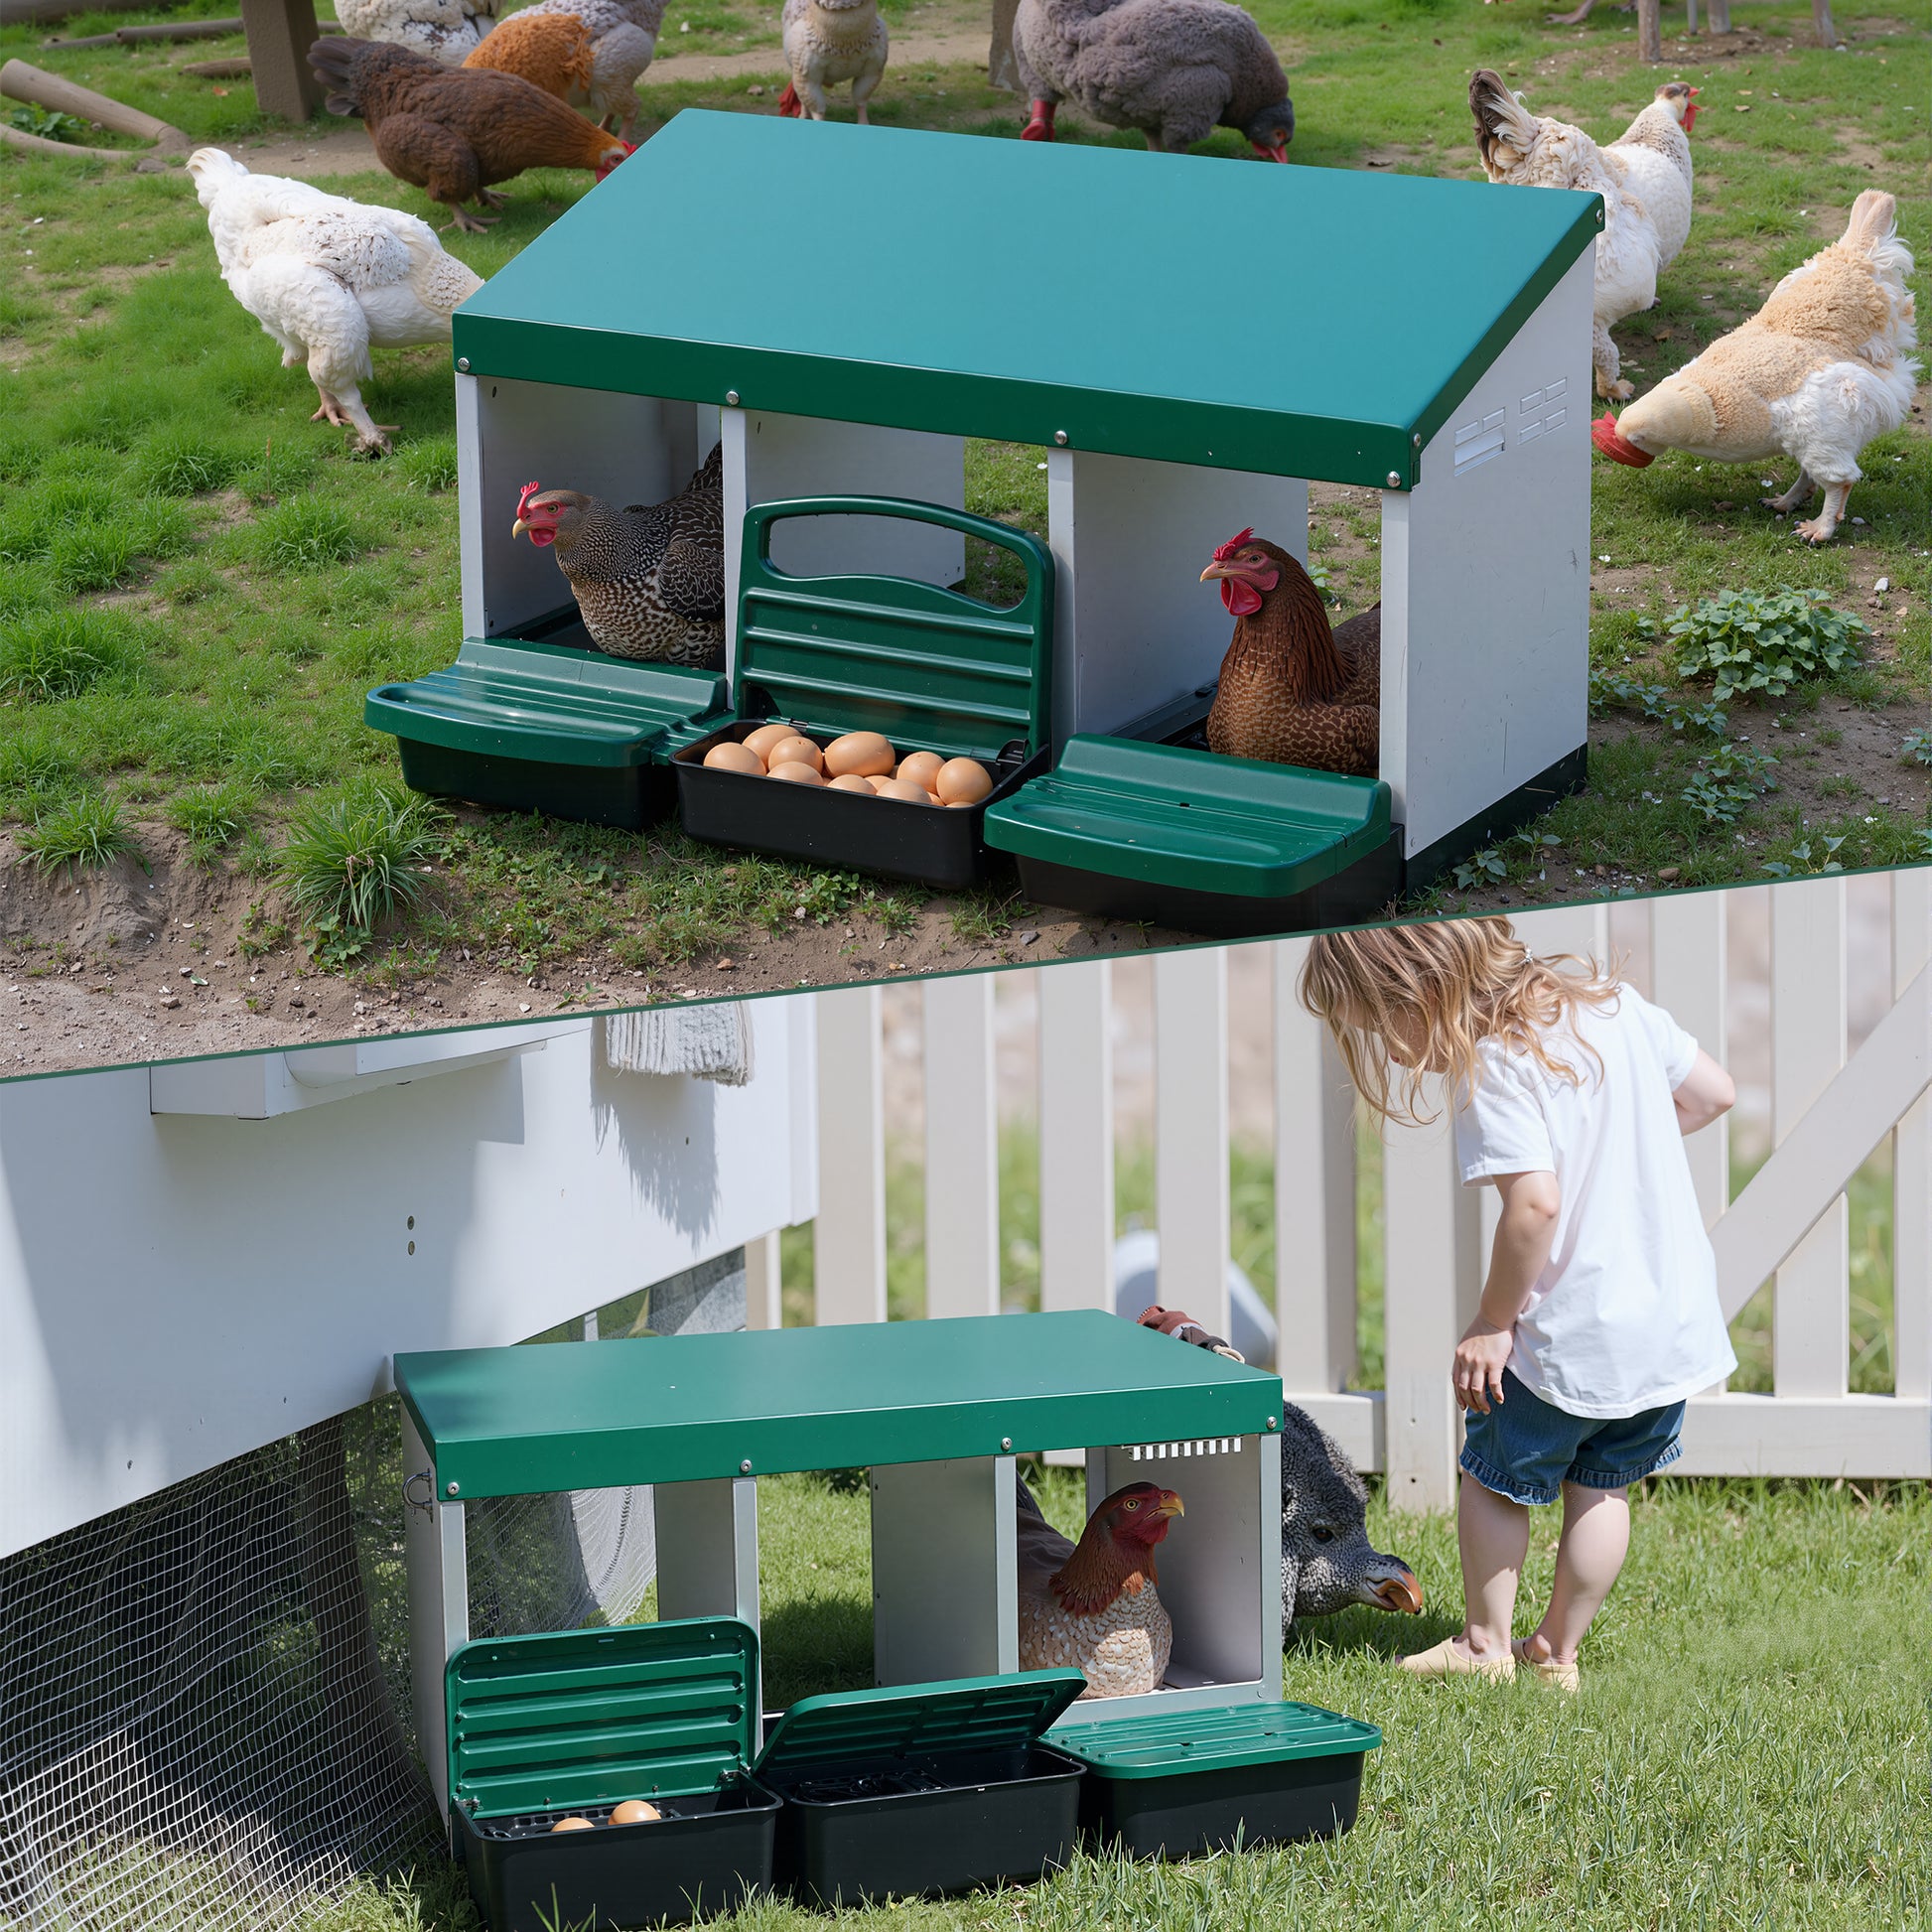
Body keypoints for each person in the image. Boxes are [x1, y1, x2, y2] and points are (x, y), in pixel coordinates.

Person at [1299, 916, 1736, 1692]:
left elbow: (1533, 1207)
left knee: (1495, 1477)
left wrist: (1494, 1323)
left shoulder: (1495, 1062)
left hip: (1569, 1333)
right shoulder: (1618, 1007)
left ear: (1421, 992)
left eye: (1384, 1027)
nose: (1395, 1054)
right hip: (1665, 1330)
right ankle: (1558, 1653)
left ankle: (1483, 1643)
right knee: (1602, 1489)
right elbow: (1714, 1094)